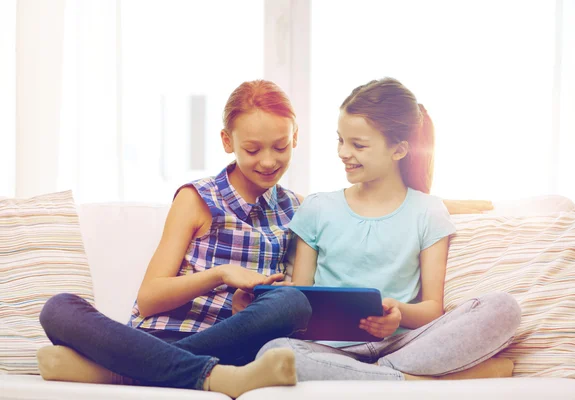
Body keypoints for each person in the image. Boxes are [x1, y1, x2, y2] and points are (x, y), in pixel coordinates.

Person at [37, 79, 495, 395]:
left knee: (290, 303)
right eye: (252, 149)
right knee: (58, 307)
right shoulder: (197, 199)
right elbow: (150, 297)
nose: (268, 161)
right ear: (226, 141)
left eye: (282, 147)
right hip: (170, 333)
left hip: (242, 339)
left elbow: (375, 200)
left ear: (296, 138)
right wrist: (219, 274)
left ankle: (117, 370)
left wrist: (450, 203)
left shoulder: (299, 206)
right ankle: (198, 373)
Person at [257, 77, 521, 382]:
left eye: (358, 145)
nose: (343, 152)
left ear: (399, 150)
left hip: (403, 343)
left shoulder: (428, 211)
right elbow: (302, 301)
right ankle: (407, 381)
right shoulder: (317, 208)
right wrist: (275, 299)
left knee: (503, 308)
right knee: (275, 352)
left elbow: (433, 309)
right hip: (329, 349)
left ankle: (374, 375)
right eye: (340, 140)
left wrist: (399, 312)